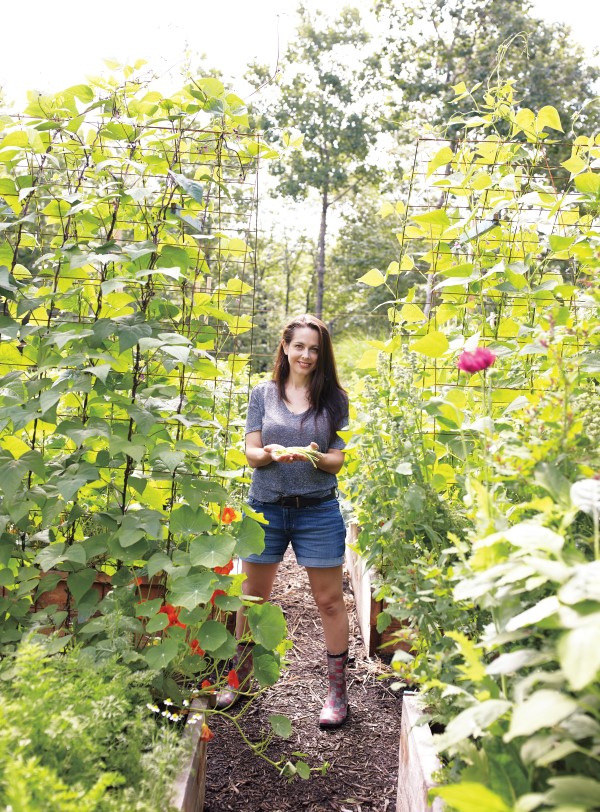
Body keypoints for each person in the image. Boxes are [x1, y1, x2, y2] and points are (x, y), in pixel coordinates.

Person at [216, 314, 350, 728]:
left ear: (321, 354)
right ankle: (238, 678)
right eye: (299, 347)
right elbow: (251, 452)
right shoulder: (264, 393)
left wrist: (315, 455)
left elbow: (337, 462)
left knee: (329, 600)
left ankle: (336, 692)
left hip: (318, 511)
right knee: (253, 599)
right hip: (267, 507)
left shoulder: (335, 399)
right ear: (286, 348)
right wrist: (273, 453)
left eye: (314, 349)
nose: (306, 355)